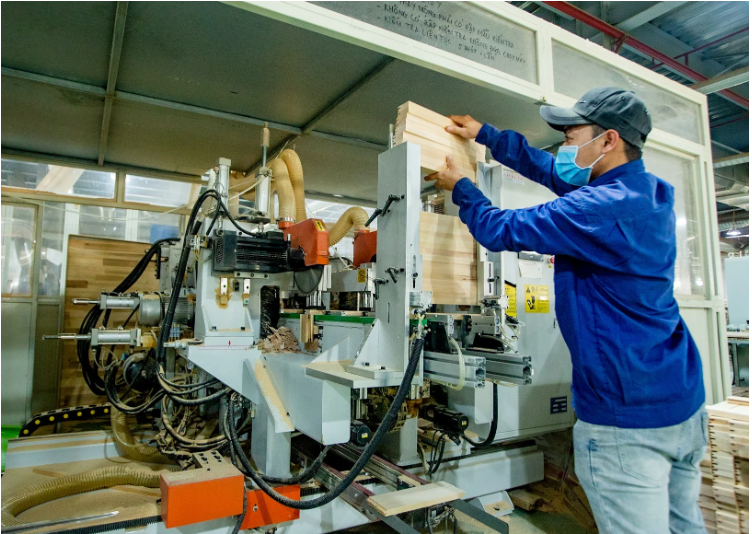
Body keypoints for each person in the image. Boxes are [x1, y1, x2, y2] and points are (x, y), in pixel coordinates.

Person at [426, 87, 707, 534]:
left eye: (572, 135)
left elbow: (500, 229)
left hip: (626, 418)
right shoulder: (646, 192)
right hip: (681, 400)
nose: (565, 145)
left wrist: (462, 188)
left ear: (609, 140)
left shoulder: (598, 208)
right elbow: (552, 172)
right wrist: (487, 136)